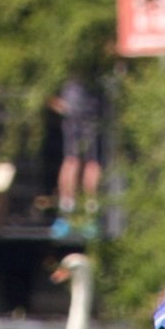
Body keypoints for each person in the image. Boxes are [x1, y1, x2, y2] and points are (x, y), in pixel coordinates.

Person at [48, 77, 102, 238]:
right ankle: (81, 214)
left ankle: (75, 215)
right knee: (82, 161)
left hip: (80, 102)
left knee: (80, 161)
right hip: (85, 102)